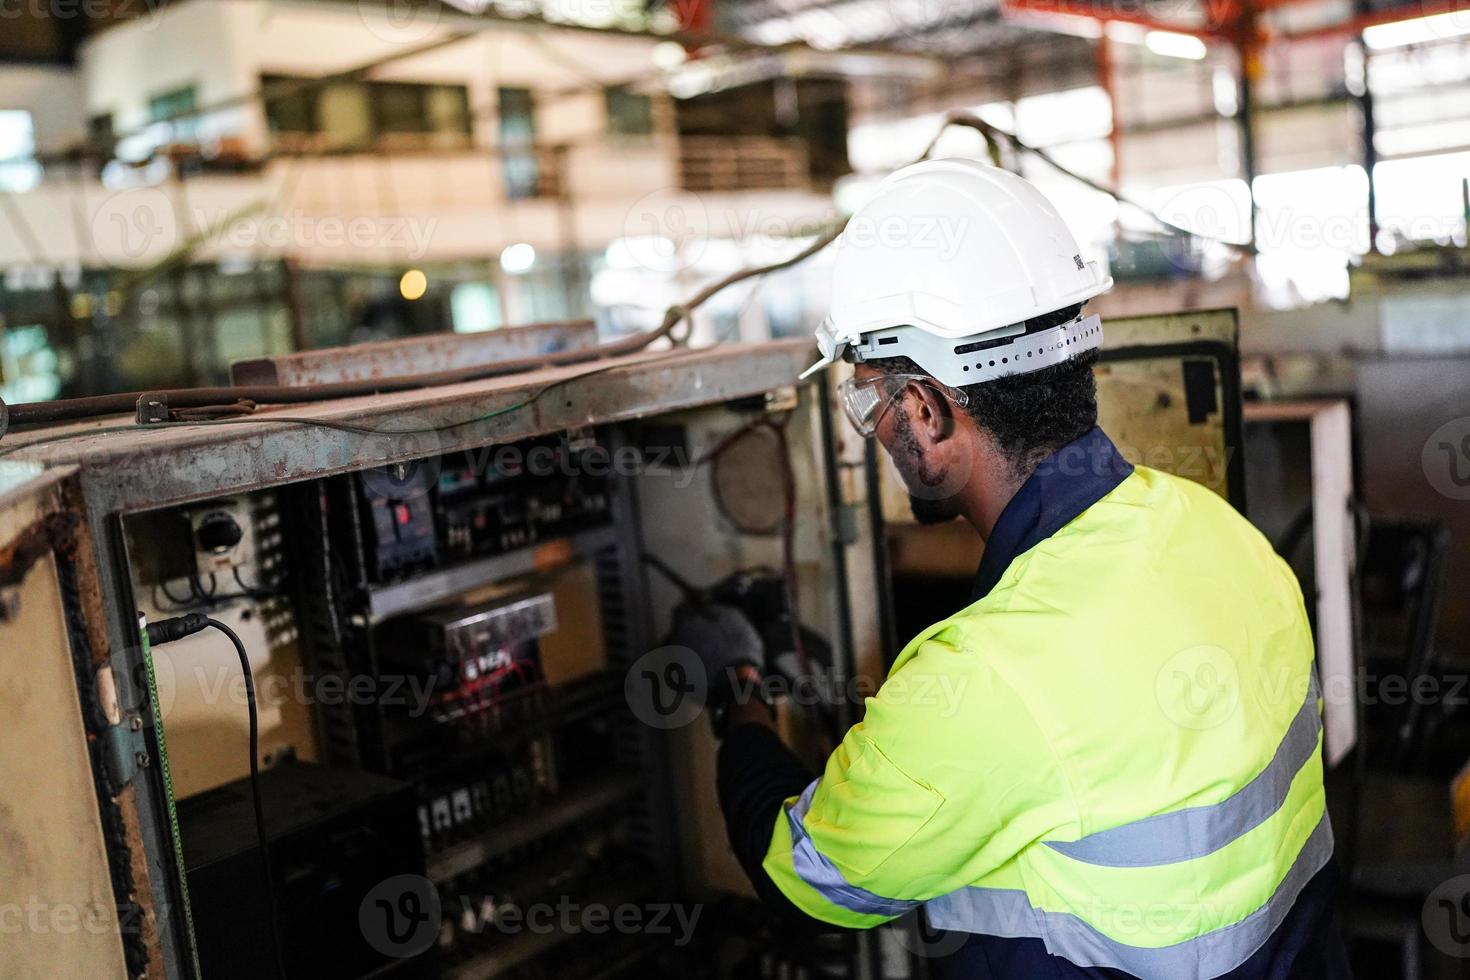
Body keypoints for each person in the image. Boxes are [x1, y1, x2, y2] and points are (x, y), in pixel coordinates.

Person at [702, 158, 1347, 978]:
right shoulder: (1225, 536)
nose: (876, 429)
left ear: (928, 409)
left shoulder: (983, 679)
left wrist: (741, 699)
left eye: (870, 402)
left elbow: (804, 881)